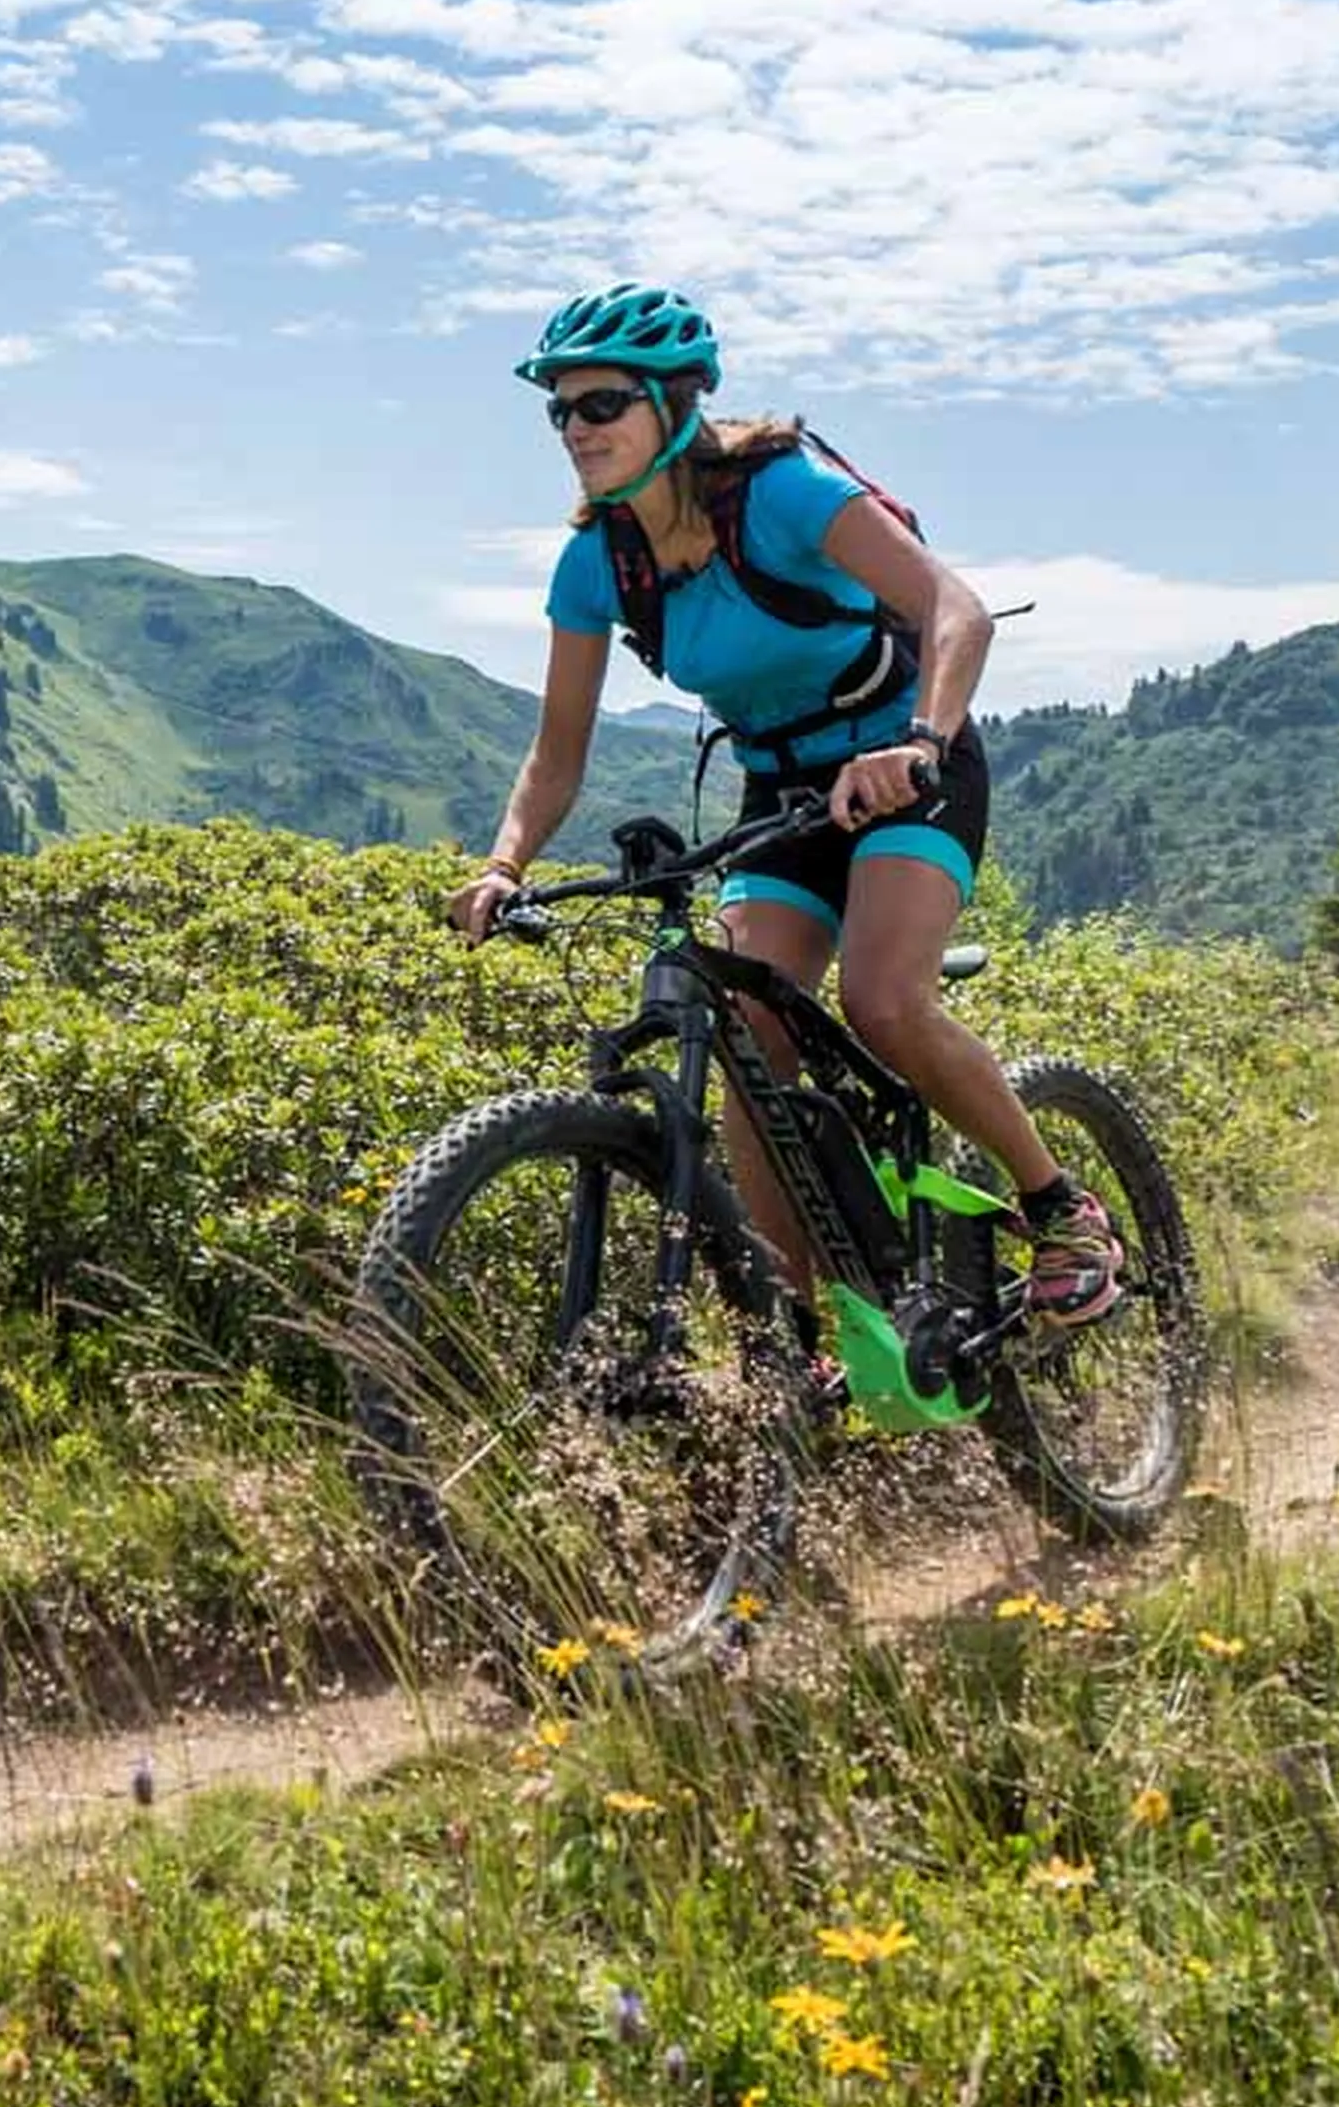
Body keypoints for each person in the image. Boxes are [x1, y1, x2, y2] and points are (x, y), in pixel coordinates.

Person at [446, 280, 1125, 1327]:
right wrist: (504, 865)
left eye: (602, 403)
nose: (576, 428)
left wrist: (919, 743)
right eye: (561, 410)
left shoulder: (783, 493)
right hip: (785, 790)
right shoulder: (596, 564)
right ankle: (788, 1339)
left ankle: (1060, 1210)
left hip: (909, 764)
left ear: (675, 404)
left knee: (883, 1001)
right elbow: (557, 752)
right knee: (748, 1028)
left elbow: (957, 611)